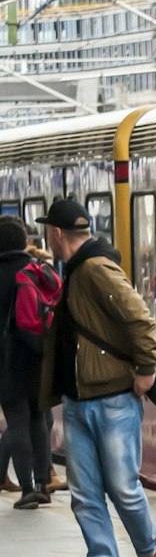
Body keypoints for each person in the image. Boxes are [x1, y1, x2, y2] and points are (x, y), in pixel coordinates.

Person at [36, 198, 156, 557]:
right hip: (78, 400)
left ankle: (147, 550)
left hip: (113, 399)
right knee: (84, 492)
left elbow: (139, 316)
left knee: (123, 486)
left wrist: (146, 368)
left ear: (55, 234)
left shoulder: (94, 268)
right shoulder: (74, 269)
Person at [0, 217, 55, 508]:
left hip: (6, 361)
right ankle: (43, 483)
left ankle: (26, 490)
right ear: (24, 242)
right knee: (39, 420)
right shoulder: (37, 269)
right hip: (37, 356)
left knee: (17, 422)